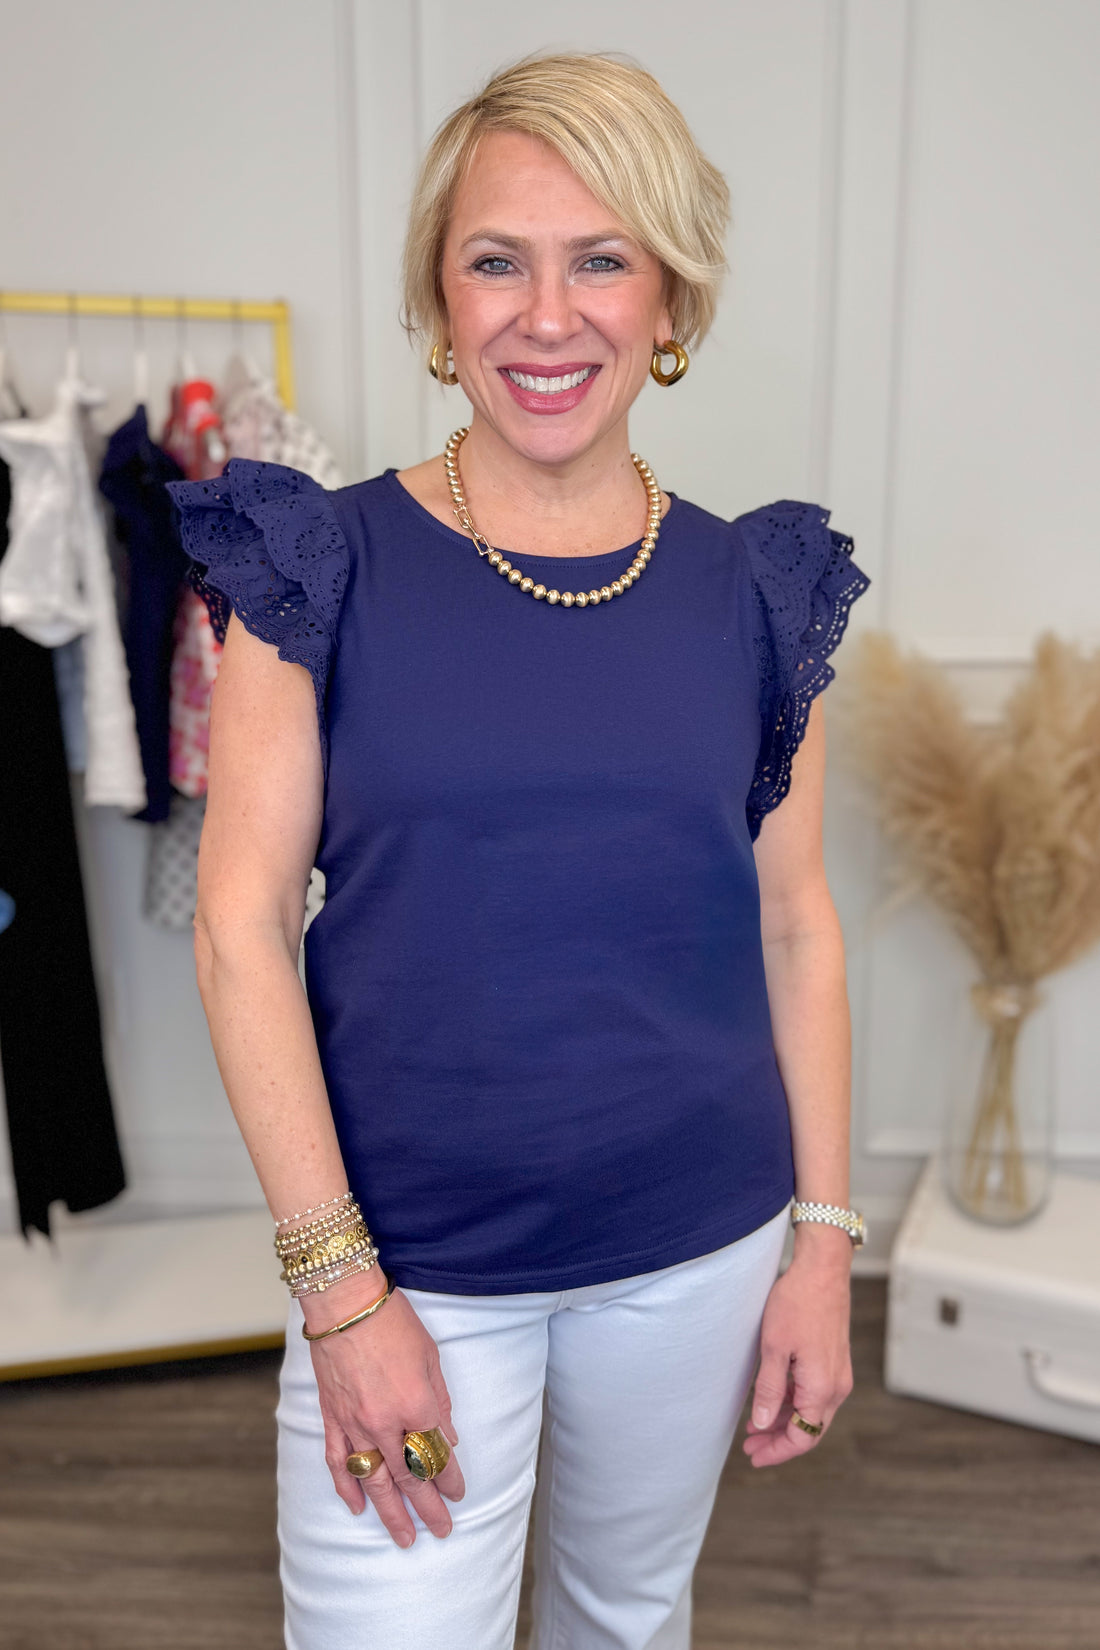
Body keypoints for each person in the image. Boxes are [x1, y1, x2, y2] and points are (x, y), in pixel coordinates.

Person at [167, 49, 871, 1650]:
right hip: (409, 1256)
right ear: (440, 288)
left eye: (600, 259)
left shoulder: (761, 595)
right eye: (498, 258)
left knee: (627, 1618)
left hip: (696, 1241)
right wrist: (344, 1295)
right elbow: (239, 926)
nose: (545, 316)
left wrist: (822, 1245)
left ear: (672, 300)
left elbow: (797, 933)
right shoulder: (318, 562)